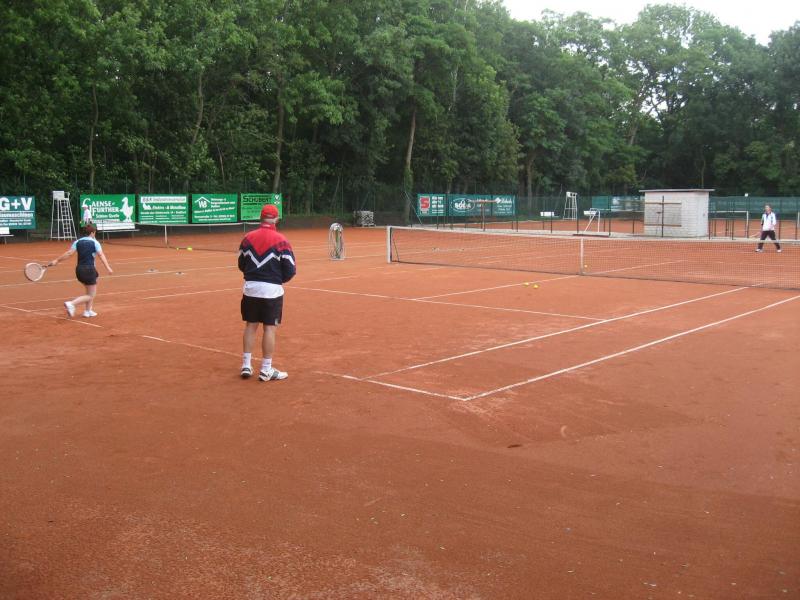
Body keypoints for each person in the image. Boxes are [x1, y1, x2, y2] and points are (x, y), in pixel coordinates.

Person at [238, 204, 296, 381]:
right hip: (272, 290)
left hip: (251, 287)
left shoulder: (248, 238)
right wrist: (277, 280)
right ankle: (266, 369)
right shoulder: (282, 240)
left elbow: (241, 263)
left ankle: (246, 365)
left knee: (250, 325)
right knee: (269, 328)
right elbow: (290, 269)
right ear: (276, 219)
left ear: (260, 218)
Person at [47, 223, 113, 318]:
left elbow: (69, 253)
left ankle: (87, 311)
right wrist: (108, 267)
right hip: (89, 270)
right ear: (93, 233)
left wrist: (57, 260)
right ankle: (71, 304)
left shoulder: (77, 242)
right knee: (91, 295)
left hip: (79, 270)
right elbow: (101, 255)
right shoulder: (95, 243)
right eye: (95, 232)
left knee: (89, 291)